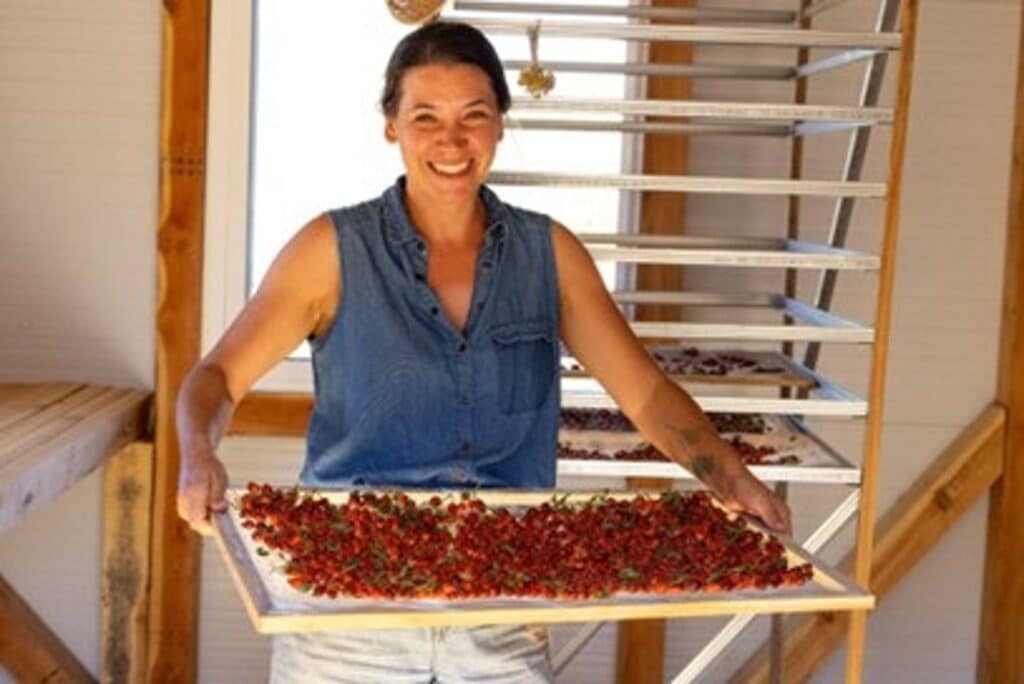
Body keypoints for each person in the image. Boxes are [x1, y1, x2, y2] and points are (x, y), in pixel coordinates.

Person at [176, 20, 791, 684]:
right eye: (426, 117)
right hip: (347, 616)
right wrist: (198, 453)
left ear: (499, 123)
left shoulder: (550, 256)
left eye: (473, 115)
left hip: (502, 611)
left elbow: (644, 394)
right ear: (392, 126)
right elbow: (218, 376)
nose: (451, 140)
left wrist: (731, 478)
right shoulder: (330, 250)